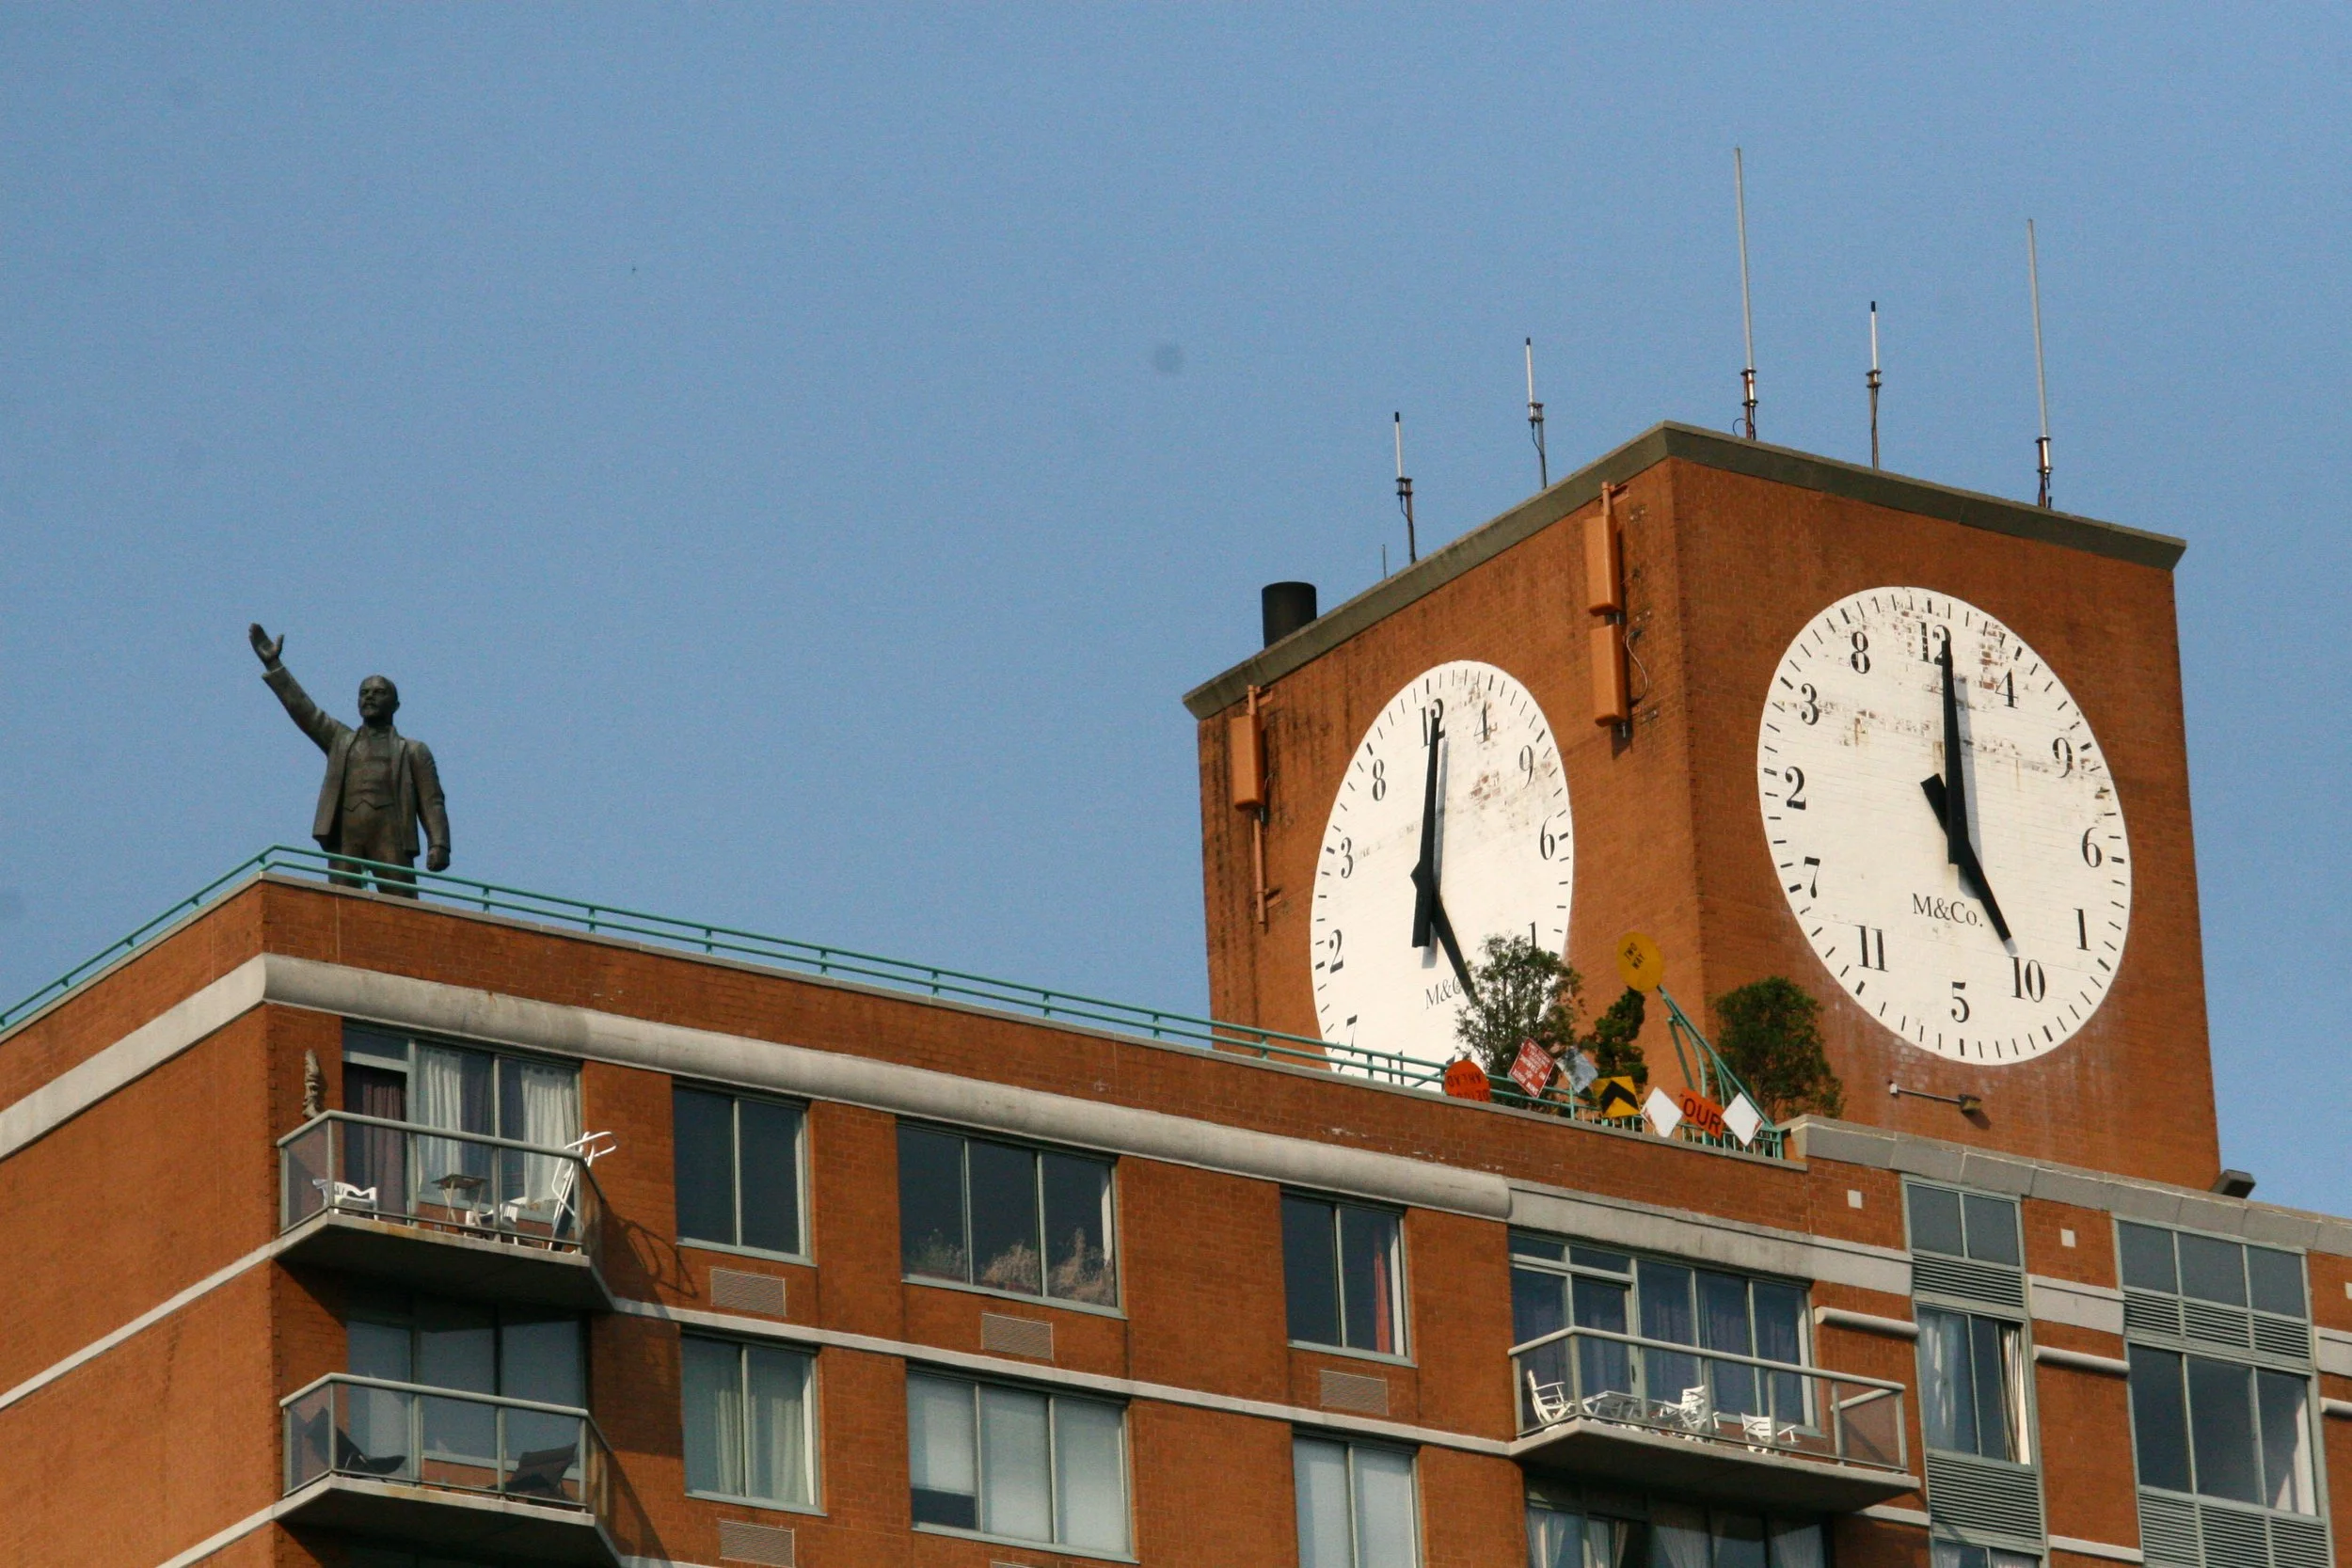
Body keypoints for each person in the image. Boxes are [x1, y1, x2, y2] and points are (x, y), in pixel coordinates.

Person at [249, 623, 450, 895]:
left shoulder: (413, 750)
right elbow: (305, 711)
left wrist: (439, 844)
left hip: (390, 832)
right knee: (339, 905)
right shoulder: (340, 740)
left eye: (379, 693)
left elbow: (431, 800)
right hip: (346, 833)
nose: (369, 697)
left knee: (403, 906)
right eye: (364, 692)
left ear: (396, 705)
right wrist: (275, 666)